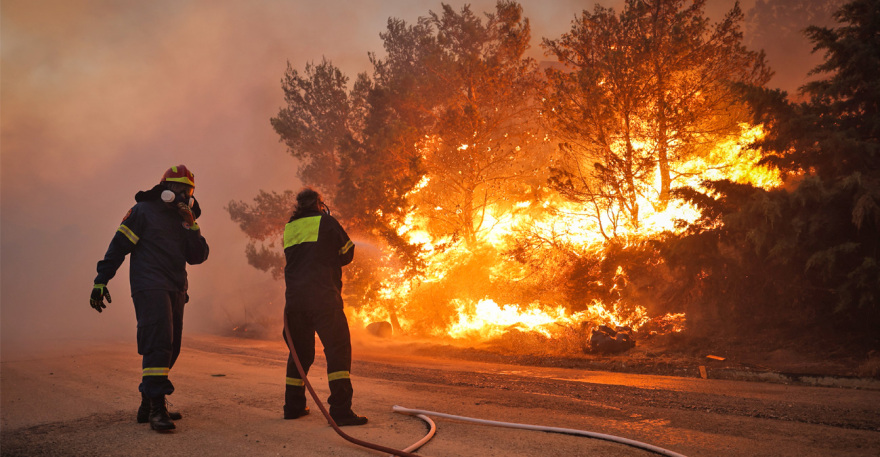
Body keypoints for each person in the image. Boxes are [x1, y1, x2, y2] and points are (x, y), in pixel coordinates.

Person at [89, 165, 209, 432]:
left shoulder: (185, 219)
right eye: (176, 188)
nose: (181, 194)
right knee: (159, 342)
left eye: (187, 190)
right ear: (164, 189)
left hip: (176, 287)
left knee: (172, 347)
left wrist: (193, 225)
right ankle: (157, 408)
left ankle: (148, 402)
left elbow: (198, 256)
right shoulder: (143, 211)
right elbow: (118, 247)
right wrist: (101, 279)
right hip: (149, 284)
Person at [281, 187, 367, 426]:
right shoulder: (326, 222)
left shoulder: (290, 228)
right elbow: (347, 253)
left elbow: (300, 259)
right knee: (337, 352)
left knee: (299, 354)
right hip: (323, 300)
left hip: (295, 302)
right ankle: (340, 411)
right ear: (319, 204)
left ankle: (293, 406)